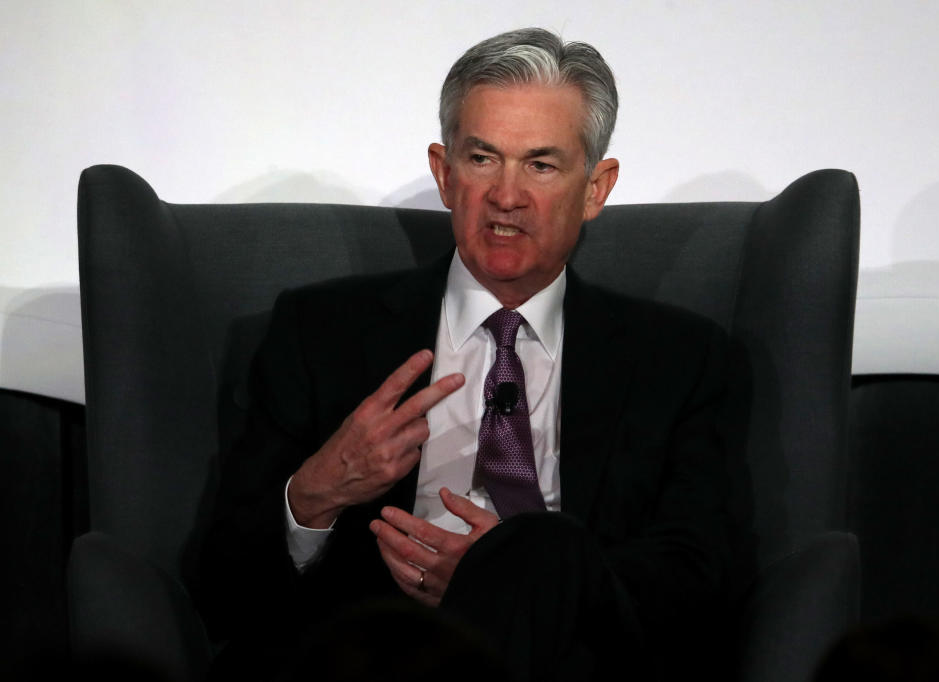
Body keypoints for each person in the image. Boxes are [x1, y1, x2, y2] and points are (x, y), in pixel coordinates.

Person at [192, 27, 730, 681]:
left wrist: (513, 572)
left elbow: (699, 577)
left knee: (544, 545)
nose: (507, 195)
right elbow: (219, 586)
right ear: (445, 175)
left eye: (541, 164)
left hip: (568, 659)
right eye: (482, 159)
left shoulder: (677, 359)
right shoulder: (321, 332)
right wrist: (314, 493)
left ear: (596, 187)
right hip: (364, 660)